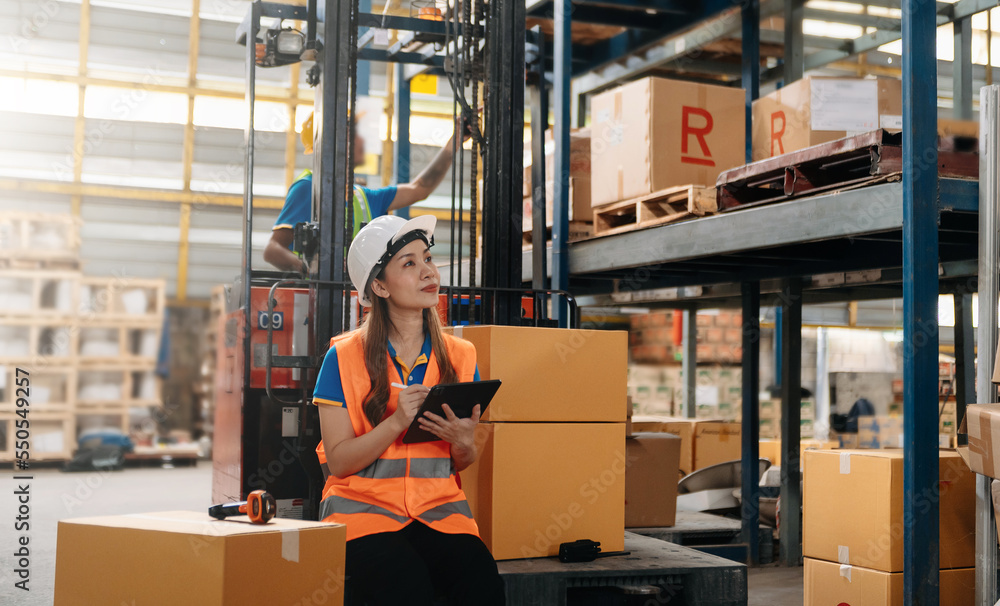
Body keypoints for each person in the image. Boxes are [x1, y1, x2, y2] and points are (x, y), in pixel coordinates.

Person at [312, 215, 505, 605]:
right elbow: (339, 463)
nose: (428, 271)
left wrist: (464, 443)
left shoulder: (461, 357)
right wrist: (396, 422)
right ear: (379, 286)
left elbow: (461, 461)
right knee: (405, 588)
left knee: (481, 584)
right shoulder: (343, 358)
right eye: (409, 263)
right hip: (362, 514)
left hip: (440, 512)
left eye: (428, 258)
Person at [263, 112, 467, 272]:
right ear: (330, 144)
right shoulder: (308, 188)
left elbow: (419, 189)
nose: (362, 140)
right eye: (353, 135)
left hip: (354, 298)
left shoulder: (363, 197)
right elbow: (272, 250)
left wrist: (455, 140)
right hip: (315, 302)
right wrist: (313, 270)